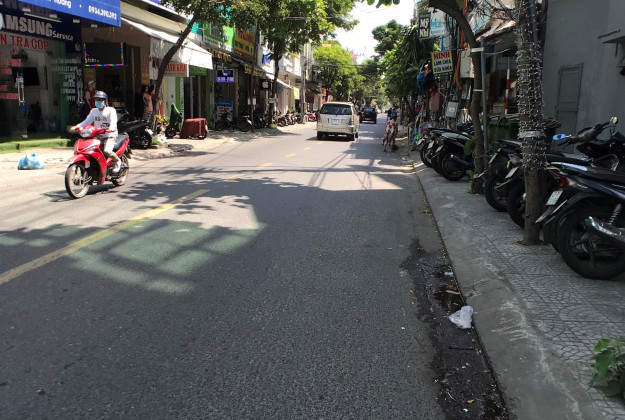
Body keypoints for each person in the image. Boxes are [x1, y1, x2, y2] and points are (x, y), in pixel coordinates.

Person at [70, 91, 121, 173]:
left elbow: (113, 123)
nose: (98, 102)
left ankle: (117, 161)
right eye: (96, 100)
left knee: (107, 151)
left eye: (100, 100)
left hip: (109, 135)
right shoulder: (94, 111)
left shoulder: (111, 110)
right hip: (98, 135)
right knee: (88, 149)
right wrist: (76, 127)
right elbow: (86, 122)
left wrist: (110, 129)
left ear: (105, 101)